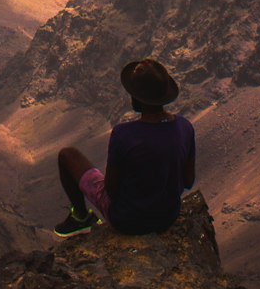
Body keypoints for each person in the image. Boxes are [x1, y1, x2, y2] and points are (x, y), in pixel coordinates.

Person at [54, 58, 196, 237]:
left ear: (137, 98)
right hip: (167, 218)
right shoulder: (185, 127)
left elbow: (111, 189)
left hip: (127, 221)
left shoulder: (124, 134)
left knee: (67, 155)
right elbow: (189, 180)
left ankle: (81, 218)